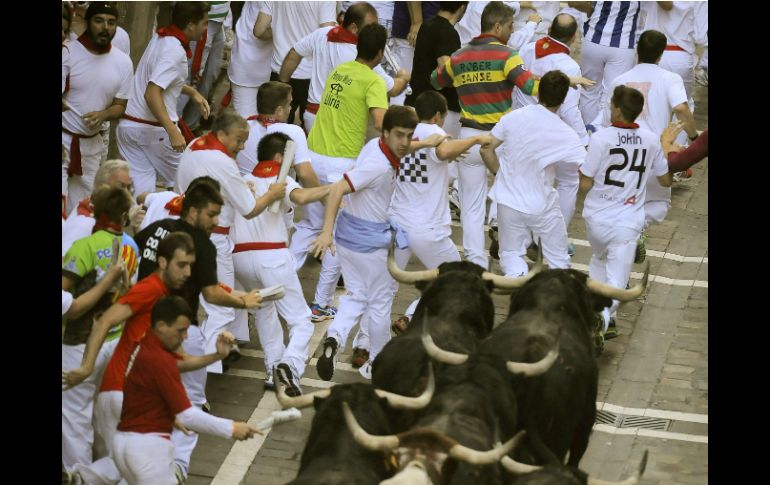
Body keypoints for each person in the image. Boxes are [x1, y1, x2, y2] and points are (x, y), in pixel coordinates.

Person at [310, 106, 444, 381]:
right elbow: (338, 188)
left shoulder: (377, 146)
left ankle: (334, 338)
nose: (405, 143)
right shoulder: (379, 166)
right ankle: (377, 363)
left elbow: (403, 147)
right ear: (385, 132)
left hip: (348, 238)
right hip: (369, 243)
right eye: (399, 135)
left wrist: (427, 142)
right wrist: (324, 232)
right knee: (381, 303)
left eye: (409, 136)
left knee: (357, 295)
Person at [289, 22, 391, 323]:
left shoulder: (340, 71)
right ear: (381, 53)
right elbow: (381, 122)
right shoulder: (373, 82)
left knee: (310, 227)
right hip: (340, 165)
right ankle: (320, 304)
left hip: (313, 156)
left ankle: (278, 279)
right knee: (336, 235)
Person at [430, 2, 541, 270]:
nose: (512, 31)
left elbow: (436, 80)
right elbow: (531, 87)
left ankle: (475, 262)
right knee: (508, 196)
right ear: (498, 26)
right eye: (510, 26)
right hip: (500, 138)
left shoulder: (459, 56)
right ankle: (509, 257)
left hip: (468, 137)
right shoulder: (508, 55)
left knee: (470, 204)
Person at [176, 111, 286, 372]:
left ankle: (212, 357)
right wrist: (272, 194)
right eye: (239, 140)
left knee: (199, 298)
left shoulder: (194, 146)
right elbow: (249, 209)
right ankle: (208, 368)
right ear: (222, 134)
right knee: (220, 305)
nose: (243, 146)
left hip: (188, 229)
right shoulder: (223, 162)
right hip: (214, 238)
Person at [112, 296, 258, 485]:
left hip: (125, 446)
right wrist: (232, 428)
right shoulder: (161, 361)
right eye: (181, 331)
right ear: (162, 326)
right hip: (147, 451)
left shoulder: (145, 345)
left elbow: (180, 365)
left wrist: (217, 355)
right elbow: (188, 415)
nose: (185, 337)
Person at [232, 133, 331, 395]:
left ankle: (273, 368)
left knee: (264, 312)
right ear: (280, 158)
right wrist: (334, 187)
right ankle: (290, 365)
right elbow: (299, 198)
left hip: (239, 259)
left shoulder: (243, 181)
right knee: (301, 321)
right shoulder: (281, 178)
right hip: (271, 257)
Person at [387, 91, 489, 340]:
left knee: (384, 289)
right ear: (437, 116)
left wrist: (455, 148)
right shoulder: (436, 135)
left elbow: (442, 154)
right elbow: (442, 153)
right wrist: (475, 139)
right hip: (426, 229)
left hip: (396, 223)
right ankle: (411, 316)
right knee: (458, 278)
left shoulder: (404, 135)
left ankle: (364, 345)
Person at [593, 29, 698, 263]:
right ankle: (636, 228)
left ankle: (619, 252)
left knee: (620, 207)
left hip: (621, 156)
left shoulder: (620, 80)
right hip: (652, 155)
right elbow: (681, 108)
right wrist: (692, 138)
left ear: (637, 51)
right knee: (659, 205)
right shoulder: (670, 78)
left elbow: (606, 119)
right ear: (661, 54)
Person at [579, 85, 672, 339]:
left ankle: (603, 319)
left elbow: (585, 182)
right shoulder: (651, 138)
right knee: (618, 282)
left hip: (596, 218)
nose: (609, 109)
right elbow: (665, 180)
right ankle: (604, 318)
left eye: (611, 105)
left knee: (599, 260)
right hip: (627, 222)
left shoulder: (600, 138)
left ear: (619, 110)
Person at [61, 185, 138, 476]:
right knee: (105, 418)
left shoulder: (84, 246)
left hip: (79, 343)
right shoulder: (131, 245)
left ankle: (77, 476)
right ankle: (105, 475)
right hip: (115, 339)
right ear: (122, 215)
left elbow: (68, 302)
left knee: (74, 417)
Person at [479, 70, 586, 278]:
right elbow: (587, 170)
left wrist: (499, 174)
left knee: (510, 254)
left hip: (508, 201)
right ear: (563, 100)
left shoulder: (513, 117)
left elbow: (485, 149)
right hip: (541, 204)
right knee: (558, 259)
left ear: (538, 92)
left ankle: (518, 285)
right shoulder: (565, 133)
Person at [117, 1, 211, 196]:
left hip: (128, 129)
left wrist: (192, 92)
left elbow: (161, 81)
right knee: (195, 184)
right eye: (204, 23)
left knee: (143, 194)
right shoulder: (175, 51)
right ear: (191, 25)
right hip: (152, 132)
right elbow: (152, 93)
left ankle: (147, 222)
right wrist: (172, 130)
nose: (205, 28)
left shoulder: (161, 37)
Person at [513, 13, 588, 256]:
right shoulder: (569, 66)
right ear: (574, 37)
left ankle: (524, 240)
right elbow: (569, 110)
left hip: (521, 128)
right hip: (549, 132)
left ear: (549, 29)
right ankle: (553, 238)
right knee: (568, 181)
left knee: (528, 184)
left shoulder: (527, 48)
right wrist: (583, 141)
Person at [278, 1, 408, 134]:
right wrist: (404, 78)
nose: (374, 32)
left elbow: (294, 54)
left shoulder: (322, 33)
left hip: (312, 117)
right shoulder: (363, 54)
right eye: (370, 27)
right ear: (353, 28)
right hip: (337, 122)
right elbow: (393, 89)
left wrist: (283, 83)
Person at [62, 1, 133, 215]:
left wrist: (103, 114)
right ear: (87, 22)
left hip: (92, 145)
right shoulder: (67, 53)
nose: (106, 27)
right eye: (99, 21)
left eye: (111, 22)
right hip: (63, 139)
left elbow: (120, 105)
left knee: (84, 209)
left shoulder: (123, 63)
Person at [253, 1, 338, 127]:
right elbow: (328, 37)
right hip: (311, 76)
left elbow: (258, 31)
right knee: (312, 130)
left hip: (280, 72)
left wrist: (279, 31)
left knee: (274, 128)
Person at [404, 1, 468, 139]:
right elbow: (446, 72)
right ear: (462, 8)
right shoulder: (448, 32)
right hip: (439, 112)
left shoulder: (426, 25)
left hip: (417, 104)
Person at [61, 160, 143, 257]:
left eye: (128, 188)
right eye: (121, 186)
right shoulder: (84, 222)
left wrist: (135, 228)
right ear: (101, 187)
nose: (126, 193)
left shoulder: (102, 215)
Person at [578, 1, 642, 124]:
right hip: (623, 44)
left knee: (588, 90)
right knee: (612, 93)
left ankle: (588, 133)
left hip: (593, 39)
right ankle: (603, 133)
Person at [227, 1, 273, 118]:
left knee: (261, 125)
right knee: (246, 125)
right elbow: (260, 31)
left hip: (268, 68)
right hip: (248, 67)